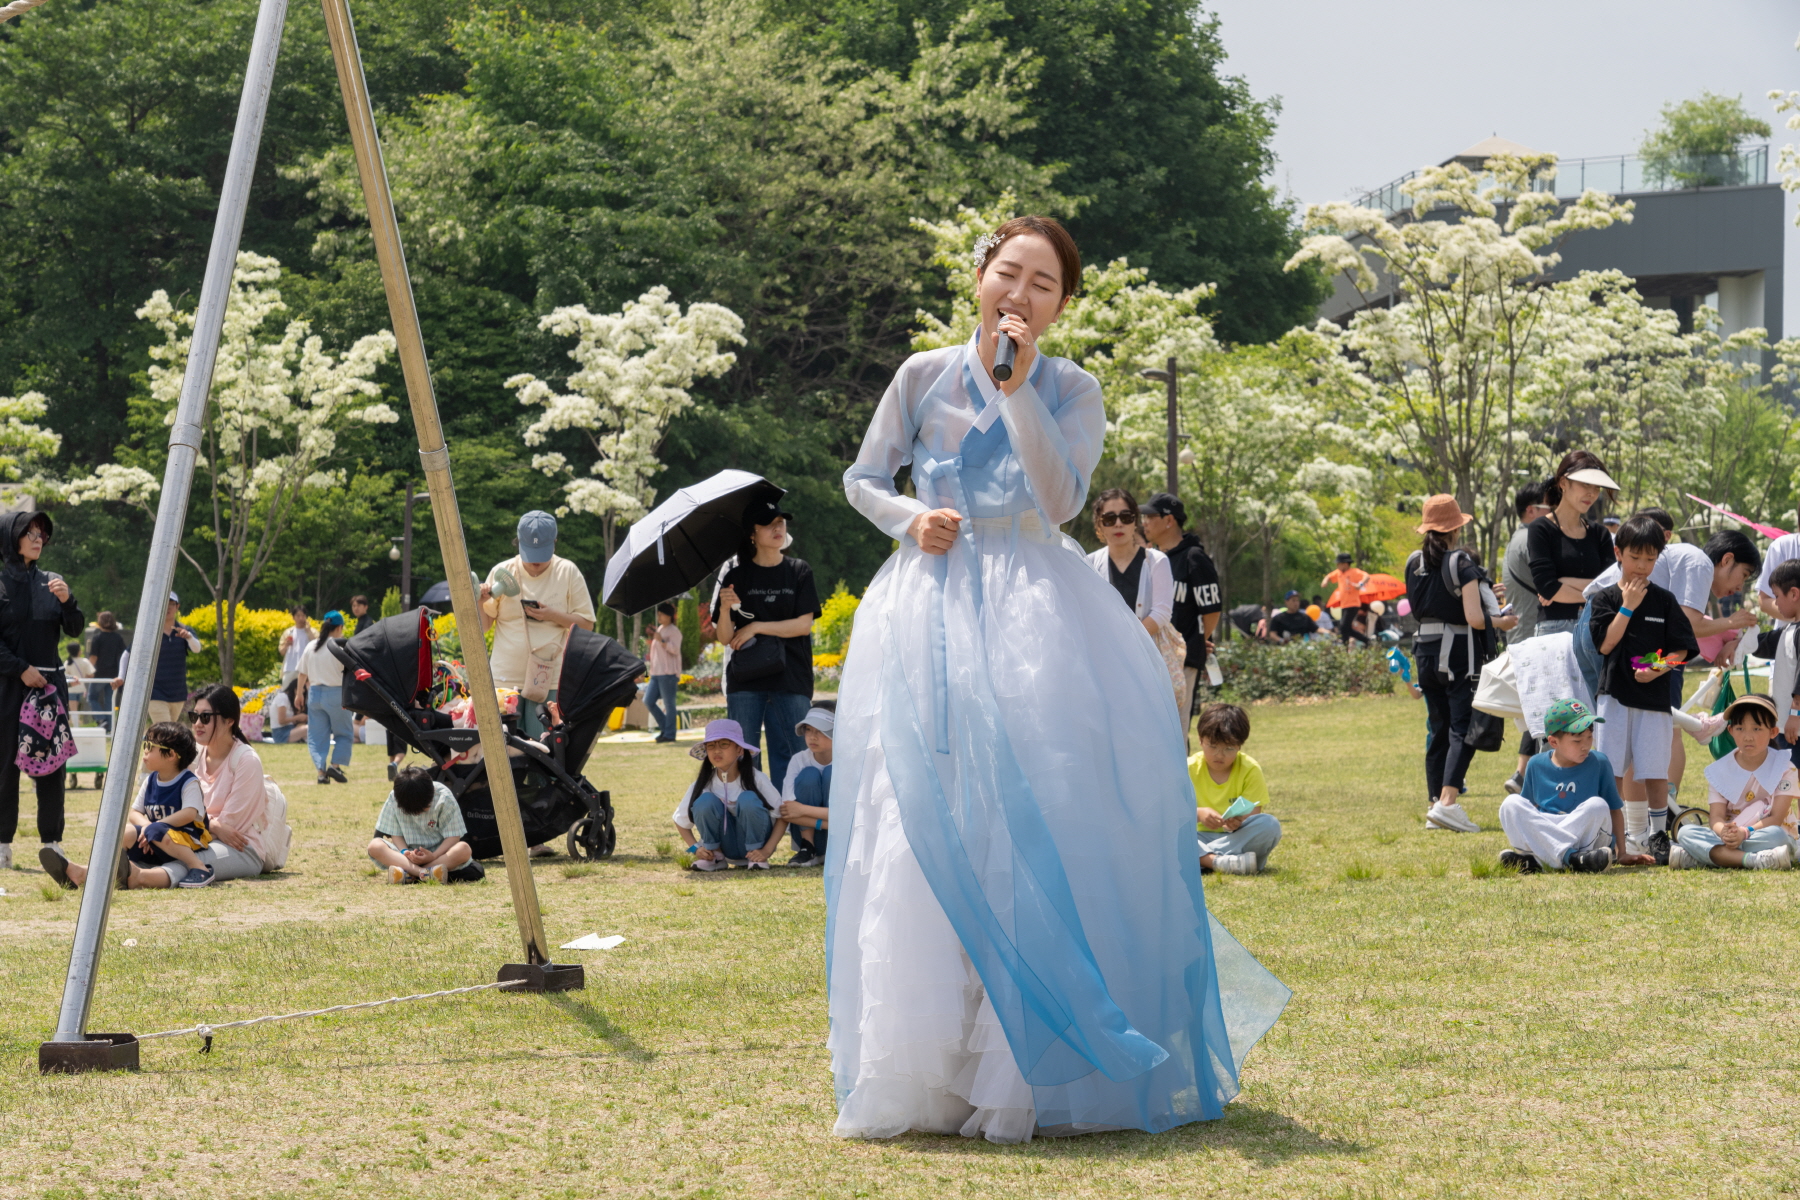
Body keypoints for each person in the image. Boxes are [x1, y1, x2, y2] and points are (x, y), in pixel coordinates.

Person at [832, 213, 1286, 1142]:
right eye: (1009, 274)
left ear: (1063, 305)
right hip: (930, 602)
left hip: (1038, 605)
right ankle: (933, 1070)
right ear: (978, 277)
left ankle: (1037, 1064)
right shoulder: (921, 375)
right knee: (921, 811)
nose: (1021, 295)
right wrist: (907, 519)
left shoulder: (1073, 385)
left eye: (1043, 285)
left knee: (1044, 809)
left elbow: (1064, 497)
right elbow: (862, 476)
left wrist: (1020, 385)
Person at [1581, 514, 1761, 831]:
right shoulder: (1697, 562)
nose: (1737, 588)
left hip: (1634, 661)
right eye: (1742, 576)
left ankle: (1642, 829)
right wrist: (1734, 623)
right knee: (1630, 748)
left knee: (1648, 748)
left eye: (1650, 559)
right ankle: (1619, 829)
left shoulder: (1671, 587)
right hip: (1616, 656)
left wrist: (1663, 665)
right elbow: (1685, 627)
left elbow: (1684, 639)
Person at [1588, 515, 1699, 861]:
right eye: (1636, 557)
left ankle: (1657, 835)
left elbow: (1682, 649)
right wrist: (1628, 606)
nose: (1642, 566)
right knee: (1612, 768)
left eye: (1651, 559)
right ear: (1618, 553)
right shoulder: (1603, 598)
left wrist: (1660, 668)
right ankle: (1608, 833)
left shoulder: (1665, 600)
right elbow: (1605, 645)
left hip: (1654, 699)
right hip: (1614, 697)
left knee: (1654, 768)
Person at [1408, 494, 1514, 834]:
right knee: (1462, 727)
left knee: (1437, 727)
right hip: (1457, 654)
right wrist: (1501, 621)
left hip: (1424, 651)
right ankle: (1449, 802)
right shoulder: (1461, 563)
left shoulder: (1414, 562)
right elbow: (1475, 618)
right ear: (1456, 527)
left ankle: (1434, 804)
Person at [712, 499, 821, 791]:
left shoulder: (799, 571)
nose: (778, 528)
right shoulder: (736, 576)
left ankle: (801, 834)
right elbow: (724, 637)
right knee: (745, 757)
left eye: (781, 522)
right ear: (752, 533)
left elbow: (803, 625)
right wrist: (724, 610)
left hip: (791, 677)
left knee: (796, 757)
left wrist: (757, 626)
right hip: (746, 680)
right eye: (769, 524)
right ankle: (757, 831)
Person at [0, 510, 83, 873]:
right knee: (4, 767)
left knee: (52, 767)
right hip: (7, 687)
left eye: (42, 535)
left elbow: (76, 629)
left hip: (49, 689)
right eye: (30, 533)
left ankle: (53, 843)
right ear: (11, 538)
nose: (38, 540)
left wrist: (69, 602)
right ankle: (2, 846)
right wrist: (21, 669)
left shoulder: (53, 583)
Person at [41, 722, 214, 890]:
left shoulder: (188, 781)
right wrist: (147, 828)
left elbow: (190, 813)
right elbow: (134, 812)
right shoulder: (151, 780)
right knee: (126, 832)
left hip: (189, 842)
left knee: (157, 830)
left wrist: (156, 828)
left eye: (149, 746)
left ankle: (198, 867)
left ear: (171, 755)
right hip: (156, 840)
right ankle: (88, 872)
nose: (144, 752)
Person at [478, 510, 597, 740]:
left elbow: (586, 625)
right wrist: (479, 602)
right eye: (529, 554)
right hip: (504, 680)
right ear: (519, 543)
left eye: (541, 554)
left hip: (548, 681)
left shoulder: (567, 571)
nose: (535, 562)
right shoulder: (503, 572)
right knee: (503, 755)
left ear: (554, 542)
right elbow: (484, 626)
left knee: (544, 755)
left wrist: (552, 614)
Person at [1495, 698, 1644, 873]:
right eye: (1577, 741)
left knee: (1598, 805)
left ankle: (1538, 860)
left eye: (1589, 737)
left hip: (1584, 834)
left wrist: (1622, 853)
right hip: (1551, 826)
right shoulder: (1535, 764)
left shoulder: (1599, 762)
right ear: (1554, 742)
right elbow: (1528, 810)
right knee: (1511, 804)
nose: (1586, 745)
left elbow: (1614, 811)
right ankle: (1572, 859)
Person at [1526, 452, 1618, 697]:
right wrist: (1591, 591)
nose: (1591, 493)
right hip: (1554, 630)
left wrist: (1564, 583)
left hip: (1595, 629)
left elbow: (1612, 588)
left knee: (1597, 717)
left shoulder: (1599, 534)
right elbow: (1547, 587)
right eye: (1585, 484)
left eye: (1596, 487)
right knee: (1558, 721)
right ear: (1563, 483)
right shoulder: (1540, 529)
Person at [1671, 693, 1797, 870]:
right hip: (1730, 837)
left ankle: (1700, 856)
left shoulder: (1784, 767)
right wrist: (1723, 831)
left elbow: (1776, 818)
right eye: (1740, 728)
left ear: (1773, 732)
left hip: (1761, 834)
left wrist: (1744, 832)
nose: (1748, 737)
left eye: (1757, 729)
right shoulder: (1719, 770)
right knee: (1685, 832)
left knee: (1778, 836)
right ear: (1730, 731)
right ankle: (1755, 860)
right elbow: (1716, 817)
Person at [1142, 493, 1221, 738]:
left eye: (1150, 516)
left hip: (1181, 659)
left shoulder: (1193, 557)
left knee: (1176, 731)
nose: (1144, 522)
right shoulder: (1153, 557)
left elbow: (1212, 610)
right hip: (1152, 656)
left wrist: (1196, 640)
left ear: (1169, 521)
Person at [188, 683, 279, 882]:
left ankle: (141, 877)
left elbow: (230, 826)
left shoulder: (246, 761)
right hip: (198, 836)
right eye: (194, 716)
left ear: (229, 720)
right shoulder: (192, 755)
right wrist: (213, 825)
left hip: (241, 848)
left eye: (205, 717)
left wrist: (197, 827)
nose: (197, 724)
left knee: (185, 861)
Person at [670, 719, 784, 871]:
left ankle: (755, 858)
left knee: (748, 799)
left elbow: (782, 815)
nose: (717, 751)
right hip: (725, 848)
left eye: (724, 744)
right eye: (711, 746)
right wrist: (695, 848)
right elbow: (680, 819)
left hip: (758, 848)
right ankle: (715, 858)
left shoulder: (757, 779)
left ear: (739, 750)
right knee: (705, 801)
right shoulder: (703, 783)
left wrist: (766, 850)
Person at [1187, 703, 1282, 875]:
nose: (1219, 755)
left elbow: (1254, 814)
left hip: (1233, 838)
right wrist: (1198, 814)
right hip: (1196, 836)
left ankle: (1203, 860)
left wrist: (1237, 823)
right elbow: (1171, 815)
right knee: (1169, 835)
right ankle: (1220, 862)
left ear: (1240, 746)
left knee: (1270, 825)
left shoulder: (1250, 769)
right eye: (1213, 746)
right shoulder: (1187, 769)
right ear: (1201, 740)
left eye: (1229, 748)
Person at [368, 765, 482, 884]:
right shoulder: (395, 796)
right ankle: (426, 873)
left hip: (439, 854)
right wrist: (404, 852)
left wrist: (434, 855)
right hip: (406, 857)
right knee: (374, 845)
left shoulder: (443, 796)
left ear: (432, 793)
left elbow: (453, 836)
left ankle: (411, 874)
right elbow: (395, 833)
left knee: (463, 848)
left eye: (424, 808)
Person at [296, 610, 353, 785]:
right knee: (344, 733)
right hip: (337, 694)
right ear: (340, 627)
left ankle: (321, 773)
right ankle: (335, 766)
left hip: (314, 694)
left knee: (316, 736)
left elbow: (302, 673)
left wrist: (299, 694)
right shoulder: (342, 647)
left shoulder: (311, 646)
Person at [778, 702, 834, 867]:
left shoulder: (848, 760)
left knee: (832, 772)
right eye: (808, 730)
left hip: (843, 835)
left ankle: (834, 847)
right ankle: (807, 847)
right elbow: (788, 810)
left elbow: (852, 815)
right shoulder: (798, 760)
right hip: (811, 829)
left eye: (820, 731)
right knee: (809, 774)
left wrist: (802, 810)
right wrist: (833, 821)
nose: (812, 737)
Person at [139, 594, 202, 725]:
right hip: (154, 691)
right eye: (164, 604)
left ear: (177, 607)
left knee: (168, 734)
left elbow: (197, 649)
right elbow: (128, 653)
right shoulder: (150, 631)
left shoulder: (185, 630)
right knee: (166, 728)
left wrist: (189, 637)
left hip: (177, 692)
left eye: (171, 604)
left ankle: (152, 745)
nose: (167, 608)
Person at [643, 601, 683, 744]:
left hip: (668, 673)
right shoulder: (660, 629)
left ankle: (669, 734)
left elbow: (675, 650)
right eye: (658, 614)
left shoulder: (674, 631)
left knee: (669, 704)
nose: (658, 616)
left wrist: (662, 641)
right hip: (656, 674)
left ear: (669, 615)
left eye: (661, 614)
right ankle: (666, 729)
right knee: (648, 701)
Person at [1322, 553, 1371, 646]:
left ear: (1345, 564)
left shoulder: (1354, 572)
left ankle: (1344, 646)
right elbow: (1329, 576)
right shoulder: (1338, 573)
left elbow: (1367, 576)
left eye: (1339, 564)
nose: (1337, 566)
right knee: (1346, 628)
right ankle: (1366, 641)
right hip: (1344, 605)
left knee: (1343, 626)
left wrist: (1360, 584)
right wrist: (1325, 581)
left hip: (1353, 604)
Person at [89, 610, 126, 733]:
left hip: (99, 674)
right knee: (109, 700)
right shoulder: (118, 638)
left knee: (92, 697)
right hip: (114, 674)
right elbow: (123, 655)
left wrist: (88, 671)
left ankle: (102, 719)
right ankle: (110, 727)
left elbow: (94, 657)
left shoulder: (97, 638)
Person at [279, 604, 311, 685]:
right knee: (287, 694)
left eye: (303, 616)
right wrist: (286, 644)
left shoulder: (312, 631)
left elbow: (318, 646)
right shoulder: (288, 632)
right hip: (289, 669)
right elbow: (281, 652)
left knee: (306, 695)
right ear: (293, 617)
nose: (301, 618)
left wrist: (309, 631)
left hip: (306, 670)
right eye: (298, 616)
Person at [266, 679, 306, 744]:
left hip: (289, 729)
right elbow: (281, 721)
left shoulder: (288, 699)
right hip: (281, 733)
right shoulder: (282, 697)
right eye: (301, 693)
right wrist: (298, 717)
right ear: (295, 690)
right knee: (307, 729)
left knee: (304, 726)